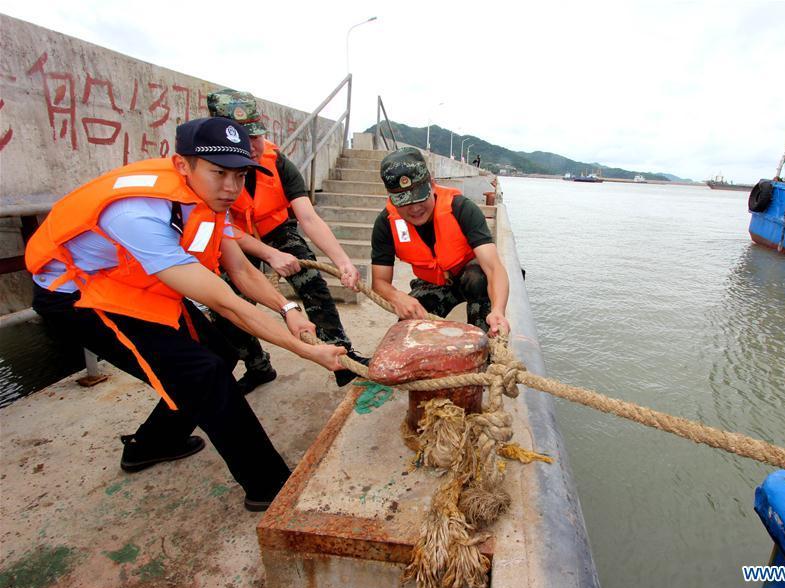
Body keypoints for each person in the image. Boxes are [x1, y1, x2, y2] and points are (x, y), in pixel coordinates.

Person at [26, 117, 346, 511]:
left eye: (240, 175)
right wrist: (308, 352)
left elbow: (242, 271)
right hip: (79, 296)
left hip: (132, 281)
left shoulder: (209, 198)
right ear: (183, 166)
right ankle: (270, 487)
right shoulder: (139, 214)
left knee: (224, 353)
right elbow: (227, 302)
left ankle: (153, 444)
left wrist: (288, 308)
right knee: (203, 372)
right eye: (219, 173)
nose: (231, 187)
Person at [206, 89, 366, 392]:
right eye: (243, 138)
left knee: (312, 281)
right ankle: (258, 366)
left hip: (276, 229)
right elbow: (222, 228)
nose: (253, 146)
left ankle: (342, 356)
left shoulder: (277, 162)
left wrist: (343, 261)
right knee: (230, 306)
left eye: (255, 135)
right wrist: (267, 254)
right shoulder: (207, 171)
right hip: (233, 239)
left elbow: (308, 217)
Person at [370, 147, 510, 336]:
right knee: (409, 325)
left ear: (432, 185)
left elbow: (494, 268)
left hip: (470, 278)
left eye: (420, 198)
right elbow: (379, 281)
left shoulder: (461, 208)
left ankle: (485, 339)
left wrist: (498, 310)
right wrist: (396, 297)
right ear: (392, 199)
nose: (415, 209)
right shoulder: (385, 224)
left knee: (478, 279)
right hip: (432, 281)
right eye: (404, 202)